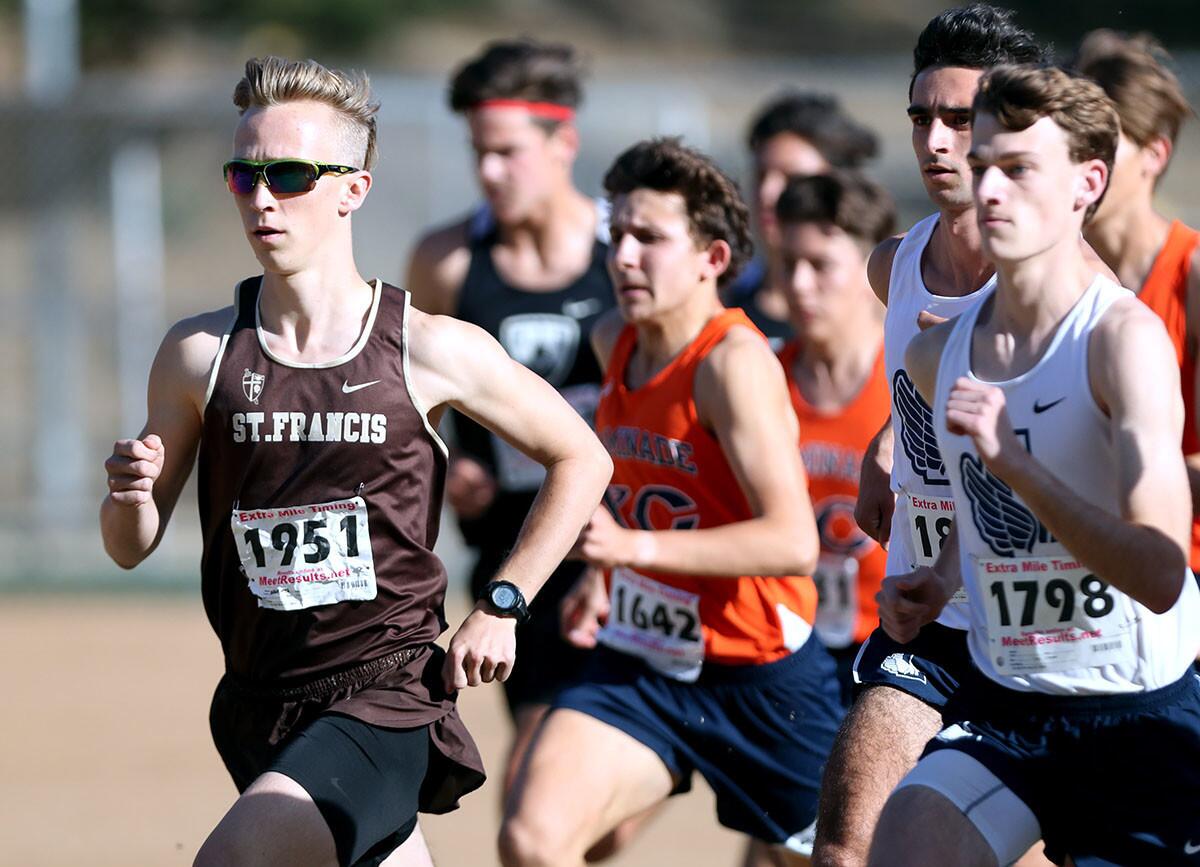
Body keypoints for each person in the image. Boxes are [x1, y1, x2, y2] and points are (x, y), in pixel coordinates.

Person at [100, 56, 611, 867]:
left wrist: (506, 601)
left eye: (291, 174)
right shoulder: (198, 353)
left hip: (386, 694)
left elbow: (582, 457)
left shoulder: (429, 346)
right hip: (255, 701)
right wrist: (129, 496)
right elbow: (129, 544)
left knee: (234, 861)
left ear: (352, 190)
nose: (262, 197)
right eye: (244, 174)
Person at [870, 62, 1200, 867]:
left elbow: (1160, 573)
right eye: (984, 165)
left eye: (1018, 170)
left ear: (1088, 182)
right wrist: (941, 576)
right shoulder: (935, 352)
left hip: (1136, 713)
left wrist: (1020, 469)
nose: (989, 189)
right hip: (1008, 706)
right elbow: (982, 508)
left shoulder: (1121, 342)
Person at [498, 138, 843, 867]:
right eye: (616, 234)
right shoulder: (612, 338)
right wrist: (605, 575)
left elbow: (791, 542)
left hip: (762, 675)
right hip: (643, 661)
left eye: (648, 238)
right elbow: (643, 492)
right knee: (533, 838)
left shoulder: (732, 364)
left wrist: (632, 551)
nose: (622, 256)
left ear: (712, 258)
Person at [813, 8, 1048, 866]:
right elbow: (932, 376)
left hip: (1043, 634)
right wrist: (888, 435)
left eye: (961, 117)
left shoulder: (1061, 280)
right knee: (846, 847)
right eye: (922, 117)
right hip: (934, 621)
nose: (936, 140)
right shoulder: (896, 264)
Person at [405, 38, 615, 790]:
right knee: (540, 791)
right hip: (515, 554)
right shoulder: (448, 261)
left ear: (565, 140)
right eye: (477, 153)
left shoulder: (631, 250)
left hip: (625, 552)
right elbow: (419, 397)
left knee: (590, 807)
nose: (489, 172)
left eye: (507, 152)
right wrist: (447, 459)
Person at [1073, 31, 1200, 594]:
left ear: (1156, 153)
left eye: (1102, 141)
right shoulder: (1038, 272)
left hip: (1177, 573)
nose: (1079, 160)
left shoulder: (1190, 274)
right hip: (1060, 566)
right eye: (1069, 140)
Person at [776, 172, 895, 704]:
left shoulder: (915, 375)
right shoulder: (757, 375)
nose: (799, 285)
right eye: (788, 264)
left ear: (871, 272)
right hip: (787, 642)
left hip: (897, 642)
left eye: (821, 266)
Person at [732, 92, 880, 347]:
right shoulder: (725, 302)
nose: (768, 194)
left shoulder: (891, 309)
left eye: (792, 178)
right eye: (761, 176)